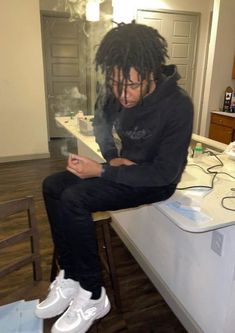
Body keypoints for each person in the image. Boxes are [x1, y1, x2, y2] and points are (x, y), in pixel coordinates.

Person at [35, 22, 193, 333]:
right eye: (115, 83)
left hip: (156, 182)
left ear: (151, 73)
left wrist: (106, 171)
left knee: (75, 197)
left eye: (131, 85)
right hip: (124, 172)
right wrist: (111, 158)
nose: (122, 94)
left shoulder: (178, 105)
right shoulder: (116, 89)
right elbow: (101, 124)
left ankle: (93, 294)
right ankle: (70, 276)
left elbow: (165, 172)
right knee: (53, 186)